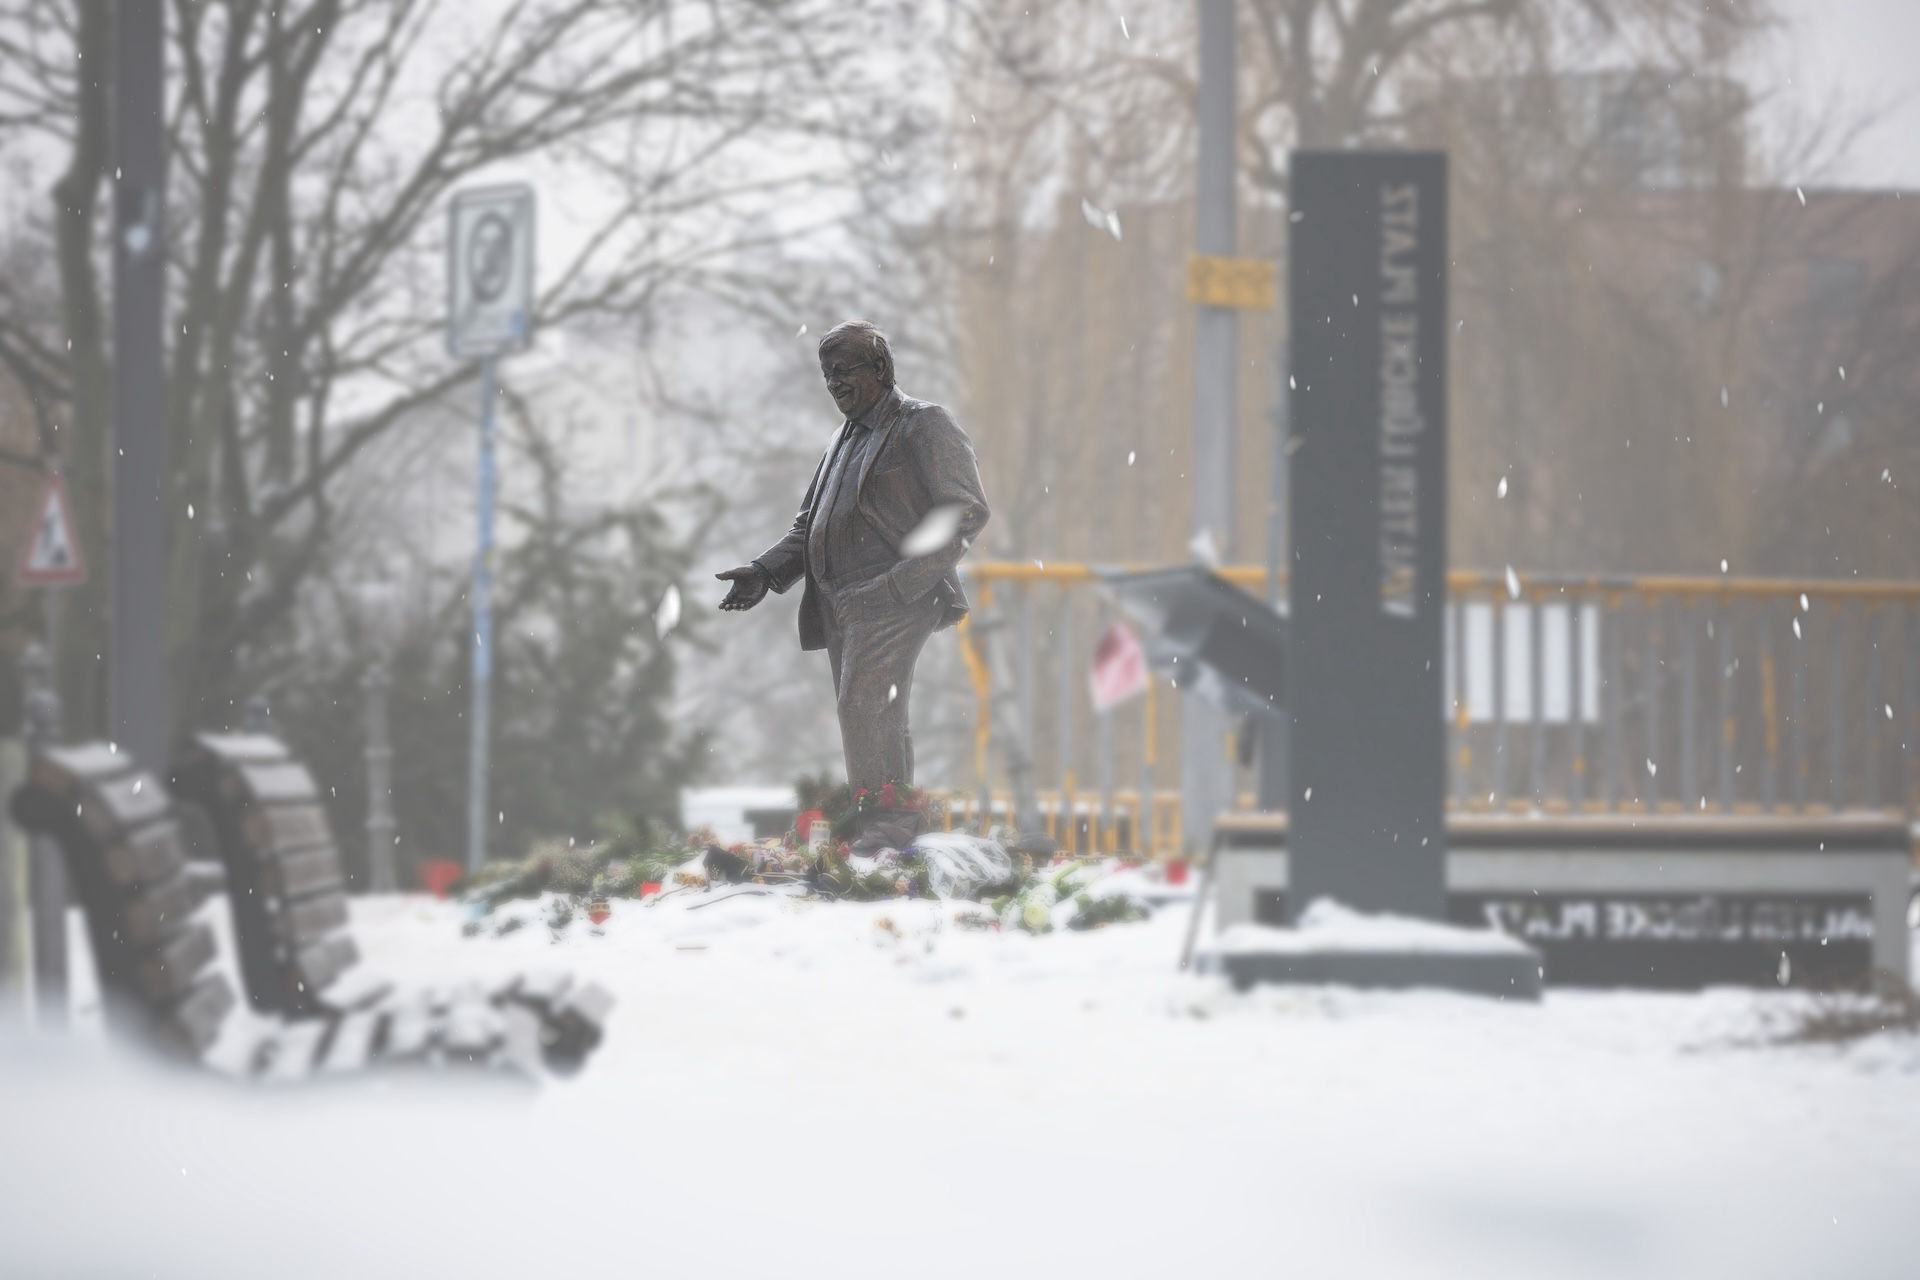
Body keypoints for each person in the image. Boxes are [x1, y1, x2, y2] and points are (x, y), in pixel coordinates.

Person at [716, 320, 989, 835]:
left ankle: (883, 826)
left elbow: (966, 510)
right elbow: (810, 524)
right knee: (872, 713)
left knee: (862, 706)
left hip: (893, 595)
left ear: (880, 368)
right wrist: (763, 572)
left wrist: (898, 584)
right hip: (840, 603)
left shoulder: (922, 424)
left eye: (843, 372)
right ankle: (888, 816)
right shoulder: (842, 437)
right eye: (826, 376)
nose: (834, 385)